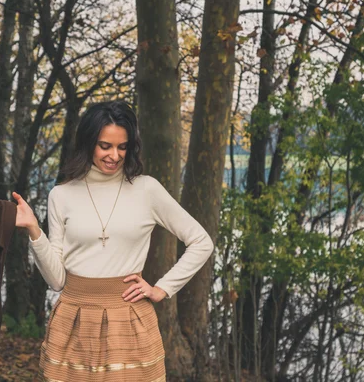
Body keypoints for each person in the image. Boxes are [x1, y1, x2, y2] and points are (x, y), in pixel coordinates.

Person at [12, 100, 214, 382]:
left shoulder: (147, 189)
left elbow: (202, 241)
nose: (115, 156)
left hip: (129, 320)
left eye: (123, 147)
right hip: (73, 320)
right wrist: (34, 229)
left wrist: (162, 288)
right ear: (88, 143)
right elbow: (57, 281)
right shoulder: (62, 194)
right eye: (105, 146)